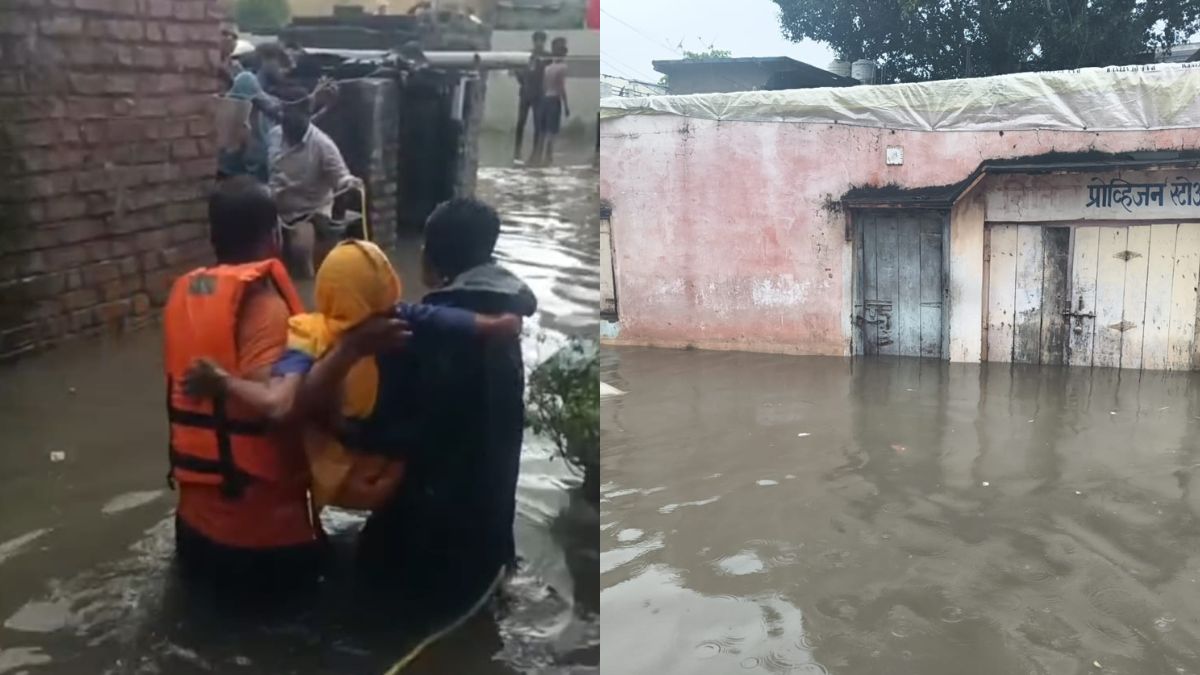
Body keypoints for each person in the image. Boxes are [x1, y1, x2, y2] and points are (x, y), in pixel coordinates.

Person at [181, 239, 523, 515]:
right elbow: (455, 322)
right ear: (390, 284)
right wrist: (502, 322)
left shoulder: (305, 332)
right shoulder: (400, 319)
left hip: (333, 471)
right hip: (384, 467)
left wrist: (224, 382)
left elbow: (277, 404)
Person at [354, 198, 537, 617]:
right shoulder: (504, 322)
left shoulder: (411, 336)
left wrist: (332, 420)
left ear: (427, 260)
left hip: (424, 550)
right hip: (491, 541)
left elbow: (386, 437)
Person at [162, 176, 323, 590]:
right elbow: (278, 405)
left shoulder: (189, 292)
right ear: (274, 237)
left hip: (194, 527)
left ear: (213, 237)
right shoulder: (268, 311)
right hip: (260, 536)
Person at [268, 84, 362, 279]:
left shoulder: (322, 144)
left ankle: (310, 293)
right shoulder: (274, 135)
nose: (289, 118)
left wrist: (349, 182)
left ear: (307, 113)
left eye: (294, 113)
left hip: (309, 211)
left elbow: (341, 176)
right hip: (276, 208)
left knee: (301, 250)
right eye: (286, 112)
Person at [532, 37, 570, 167]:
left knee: (542, 130)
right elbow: (561, 87)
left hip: (544, 100)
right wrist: (566, 105)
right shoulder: (563, 68)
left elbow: (543, 86)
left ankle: (538, 156)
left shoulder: (548, 68)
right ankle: (548, 157)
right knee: (551, 131)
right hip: (554, 100)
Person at [513, 31, 548, 163]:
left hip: (539, 94)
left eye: (541, 40)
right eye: (537, 40)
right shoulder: (528, 56)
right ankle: (517, 150)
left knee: (538, 124)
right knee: (521, 122)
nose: (539, 43)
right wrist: (522, 81)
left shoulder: (547, 57)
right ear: (534, 41)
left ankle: (536, 152)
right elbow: (517, 70)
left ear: (544, 42)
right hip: (526, 93)